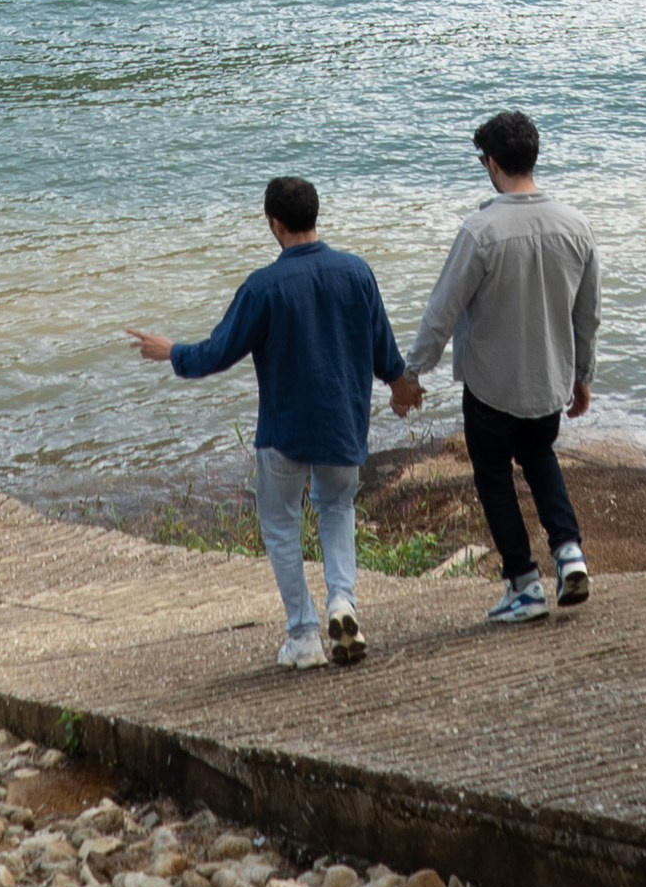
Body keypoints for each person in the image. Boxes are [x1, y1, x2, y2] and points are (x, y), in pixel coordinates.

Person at [127, 173, 407, 670]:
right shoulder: (357, 273)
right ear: (314, 216)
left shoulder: (264, 286)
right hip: (343, 424)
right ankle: (342, 603)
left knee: (281, 526)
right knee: (337, 509)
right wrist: (401, 385)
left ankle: (303, 635)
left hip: (283, 430)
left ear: (274, 224)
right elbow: (382, 348)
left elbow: (217, 352)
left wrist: (171, 352)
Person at [394, 108, 597, 626]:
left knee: (493, 478)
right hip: (548, 379)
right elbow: (587, 314)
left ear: (490, 164)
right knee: (540, 456)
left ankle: (524, 584)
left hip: (490, 386)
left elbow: (443, 311)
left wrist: (412, 376)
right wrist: (582, 377)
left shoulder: (480, 231)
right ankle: (569, 552)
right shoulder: (575, 225)